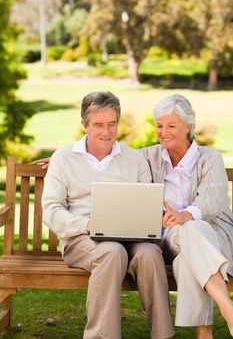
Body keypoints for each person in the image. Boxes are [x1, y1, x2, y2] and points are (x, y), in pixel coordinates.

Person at [41, 91, 175, 339]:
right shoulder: (64, 157)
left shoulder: (134, 159)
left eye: (112, 124)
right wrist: (88, 224)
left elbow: (148, 203)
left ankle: (163, 335)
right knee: (111, 251)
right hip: (83, 239)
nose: (106, 132)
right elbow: (51, 210)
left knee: (149, 253)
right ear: (84, 125)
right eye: (98, 125)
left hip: (132, 239)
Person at [141, 94, 233, 339]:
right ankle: (228, 309)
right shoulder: (148, 157)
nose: (163, 132)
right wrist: (66, 159)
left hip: (212, 237)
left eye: (171, 125)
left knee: (188, 255)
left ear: (188, 126)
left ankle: (204, 334)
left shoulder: (209, 157)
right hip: (169, 241)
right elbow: (112, 163)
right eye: (159, 125)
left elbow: (214, 198)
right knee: (187, 233)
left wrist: (186, 215)